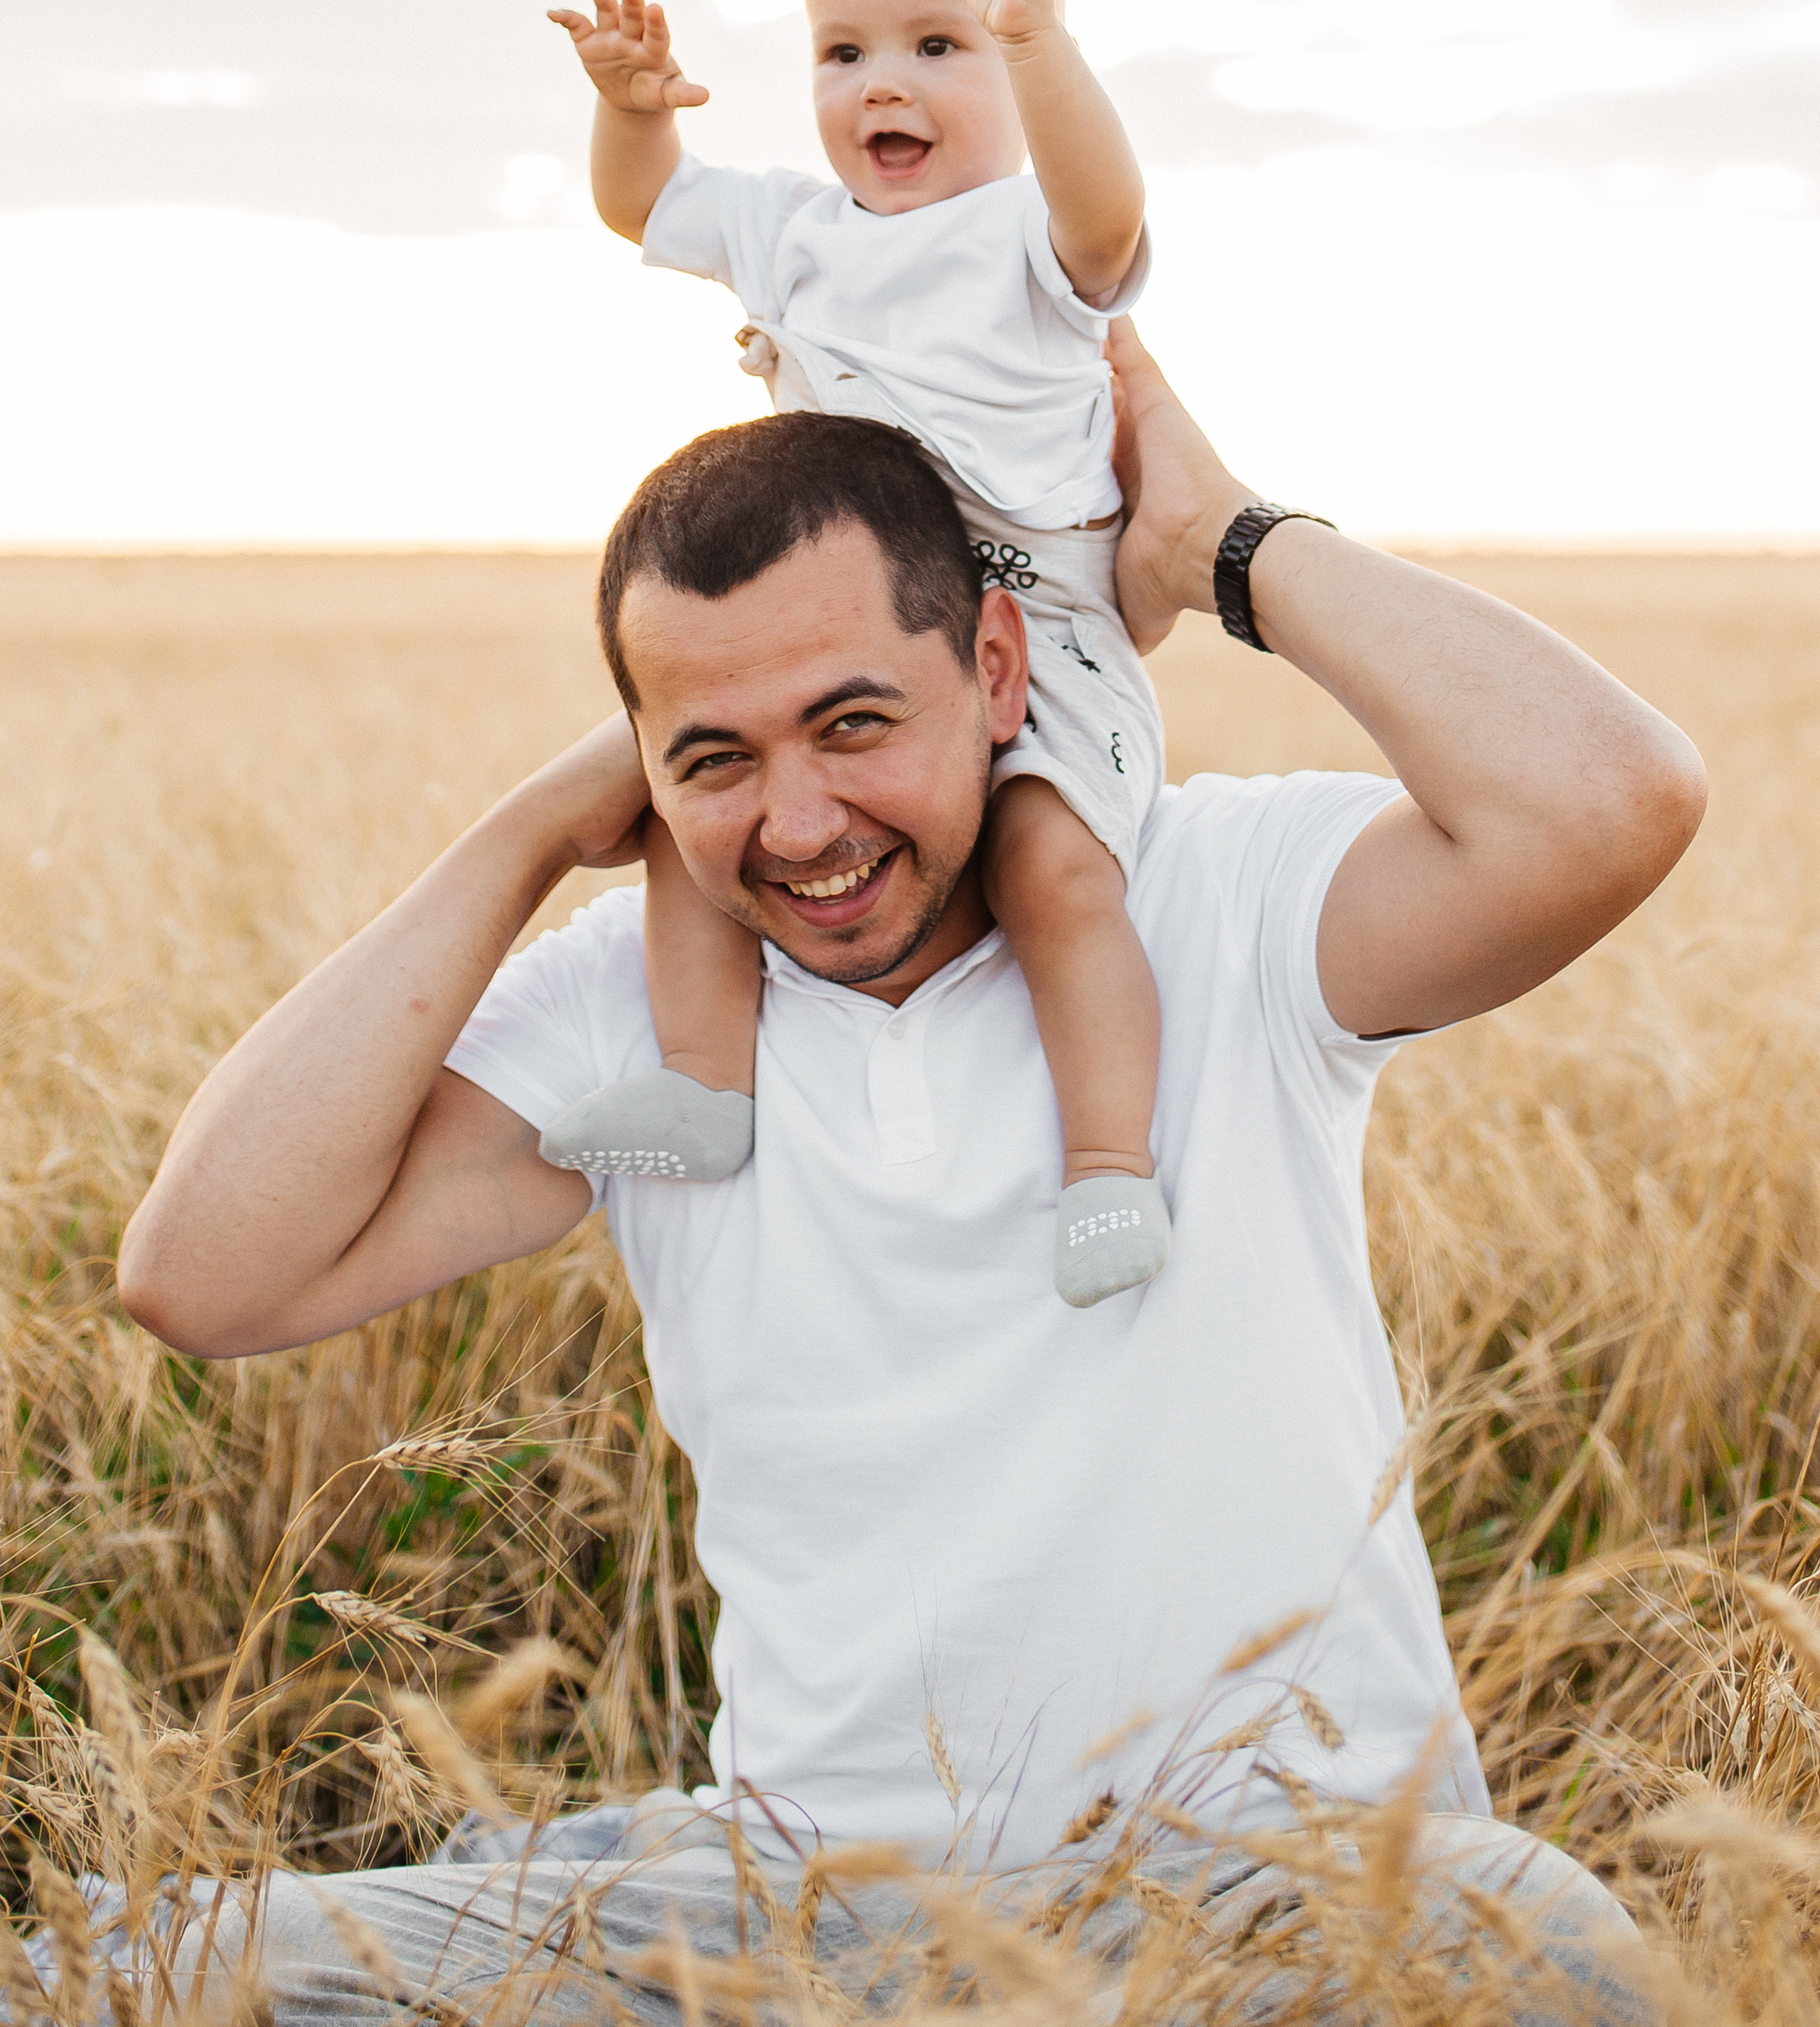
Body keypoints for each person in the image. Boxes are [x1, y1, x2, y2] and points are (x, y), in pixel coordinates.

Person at [115, 327, 1702, 2018]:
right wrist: (523, 837)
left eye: (851, 723)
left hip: (1283, 1901)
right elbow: (206, 1276)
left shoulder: (1213, 905)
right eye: (714, 758)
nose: (799, 825)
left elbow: (1606, 803)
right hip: (801, 1925)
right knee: (138, 1971)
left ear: (1000, 671)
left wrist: (1220, 545)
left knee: (1528, 1935)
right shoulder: (632, 1021)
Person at [541, 0, 1172, 1307]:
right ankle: (705, 1086)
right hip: (839, 635)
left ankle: (1106, 1168)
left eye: (939, 46)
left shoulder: (1026, 237)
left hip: (1041, 628)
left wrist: (1037, 41)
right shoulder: (792, 233)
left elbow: (1105, 212)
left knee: (1053, 868)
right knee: (701, 818)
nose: (882, 84)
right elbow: (643, 206)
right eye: (842, 53)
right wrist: (630, 110)